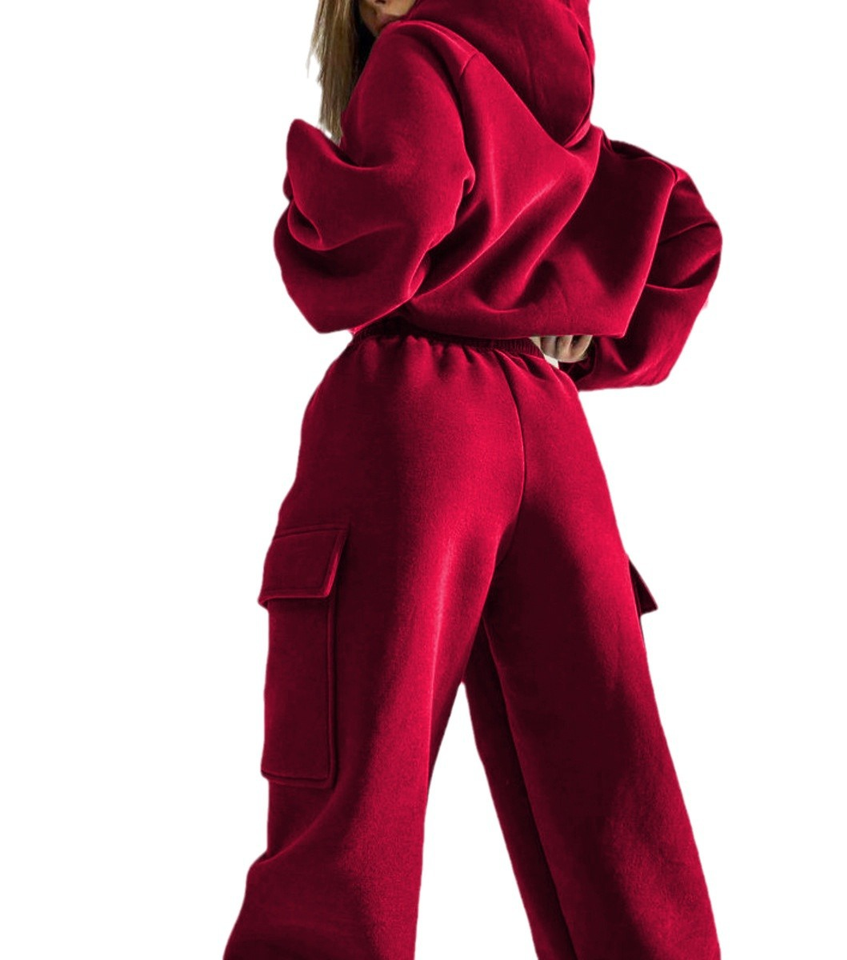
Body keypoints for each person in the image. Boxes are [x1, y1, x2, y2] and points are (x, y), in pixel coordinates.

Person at [223, 0, 724, 957]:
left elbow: (396, 219)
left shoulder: (419, 58)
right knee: (611, 795)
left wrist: (314, 198)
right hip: (550, 429)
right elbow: (686, 236)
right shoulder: (554, 111)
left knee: (353, 796)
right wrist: (572, 332)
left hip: (414, 424)